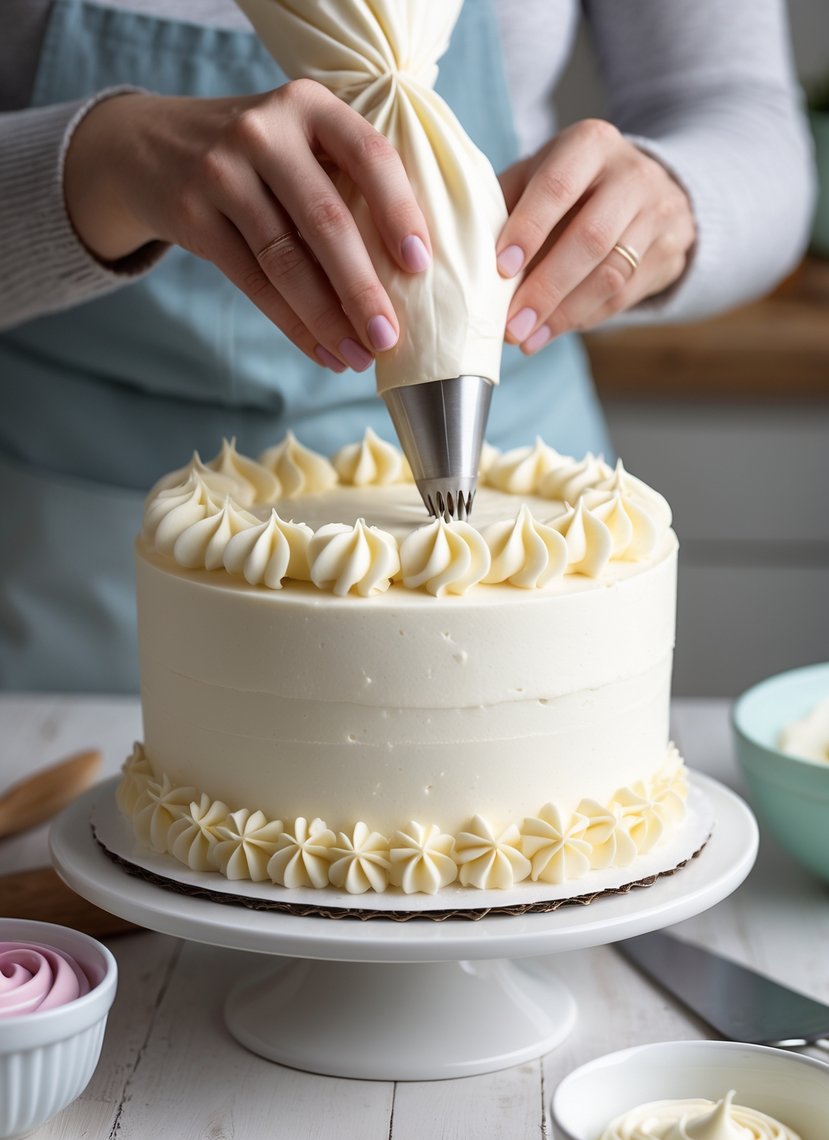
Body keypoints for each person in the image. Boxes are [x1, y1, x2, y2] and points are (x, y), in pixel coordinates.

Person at [0, 0, 815, 692]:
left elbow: (739, 110)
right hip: (77, 540)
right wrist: (97, 163)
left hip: (525, 522)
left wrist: (672, 199)